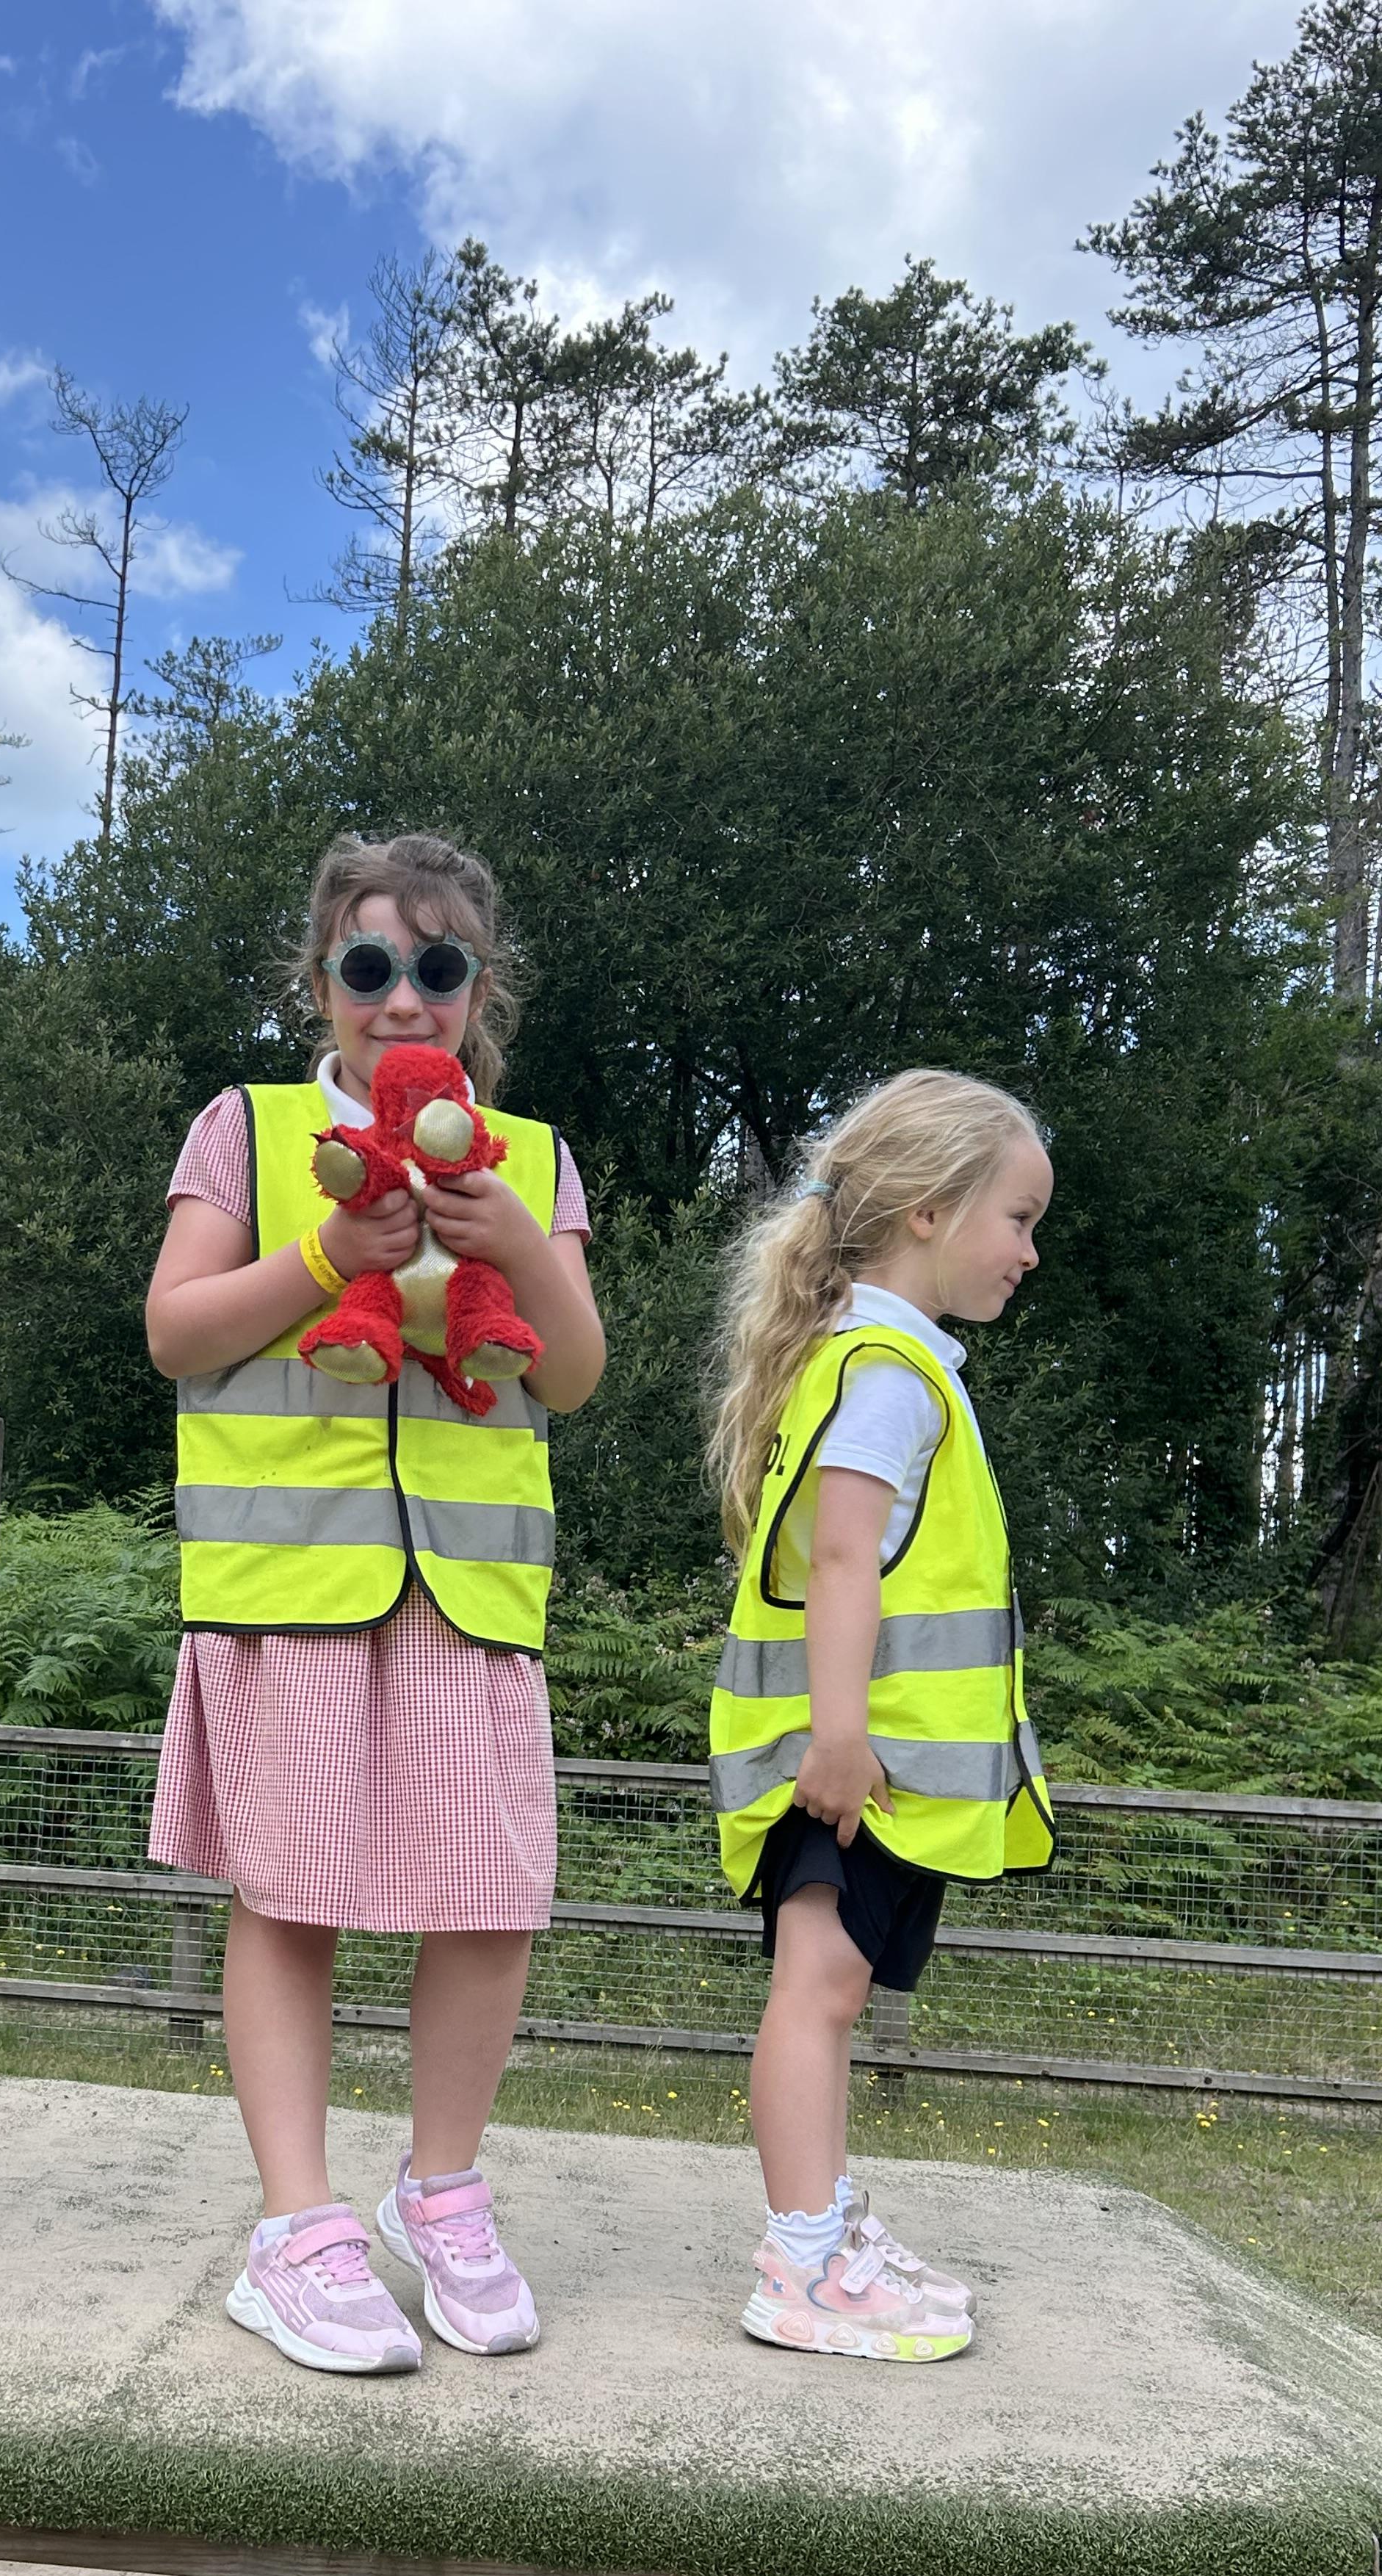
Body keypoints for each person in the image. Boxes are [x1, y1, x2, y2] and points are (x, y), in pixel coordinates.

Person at [145, 832, 605, 2375]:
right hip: (289, 1587)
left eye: (437, 966)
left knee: (489, 1899)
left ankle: (442, 2191)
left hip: (472, 1596)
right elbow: (176, 1330)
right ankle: (297, 2227)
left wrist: (518, 1246)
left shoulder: (530, 1157)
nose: (402, 997)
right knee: (288, 1899)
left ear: (479, 989)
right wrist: (324, 1254)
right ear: (321, 982)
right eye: (368, 965)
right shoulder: (249, 1129)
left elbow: (576, 1372)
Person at [706, 1067, 1057, 2363]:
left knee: (834, 1989)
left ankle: (824, 2224)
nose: (1028, 1252)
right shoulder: (889, 1373)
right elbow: (845, 1557)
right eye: (1018, 1218)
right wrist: (840, 1739)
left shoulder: (890, 1364)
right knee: (820, 1990)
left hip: (872, 1759)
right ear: (926, 1210)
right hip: (853, 1761)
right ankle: (803, 2263)